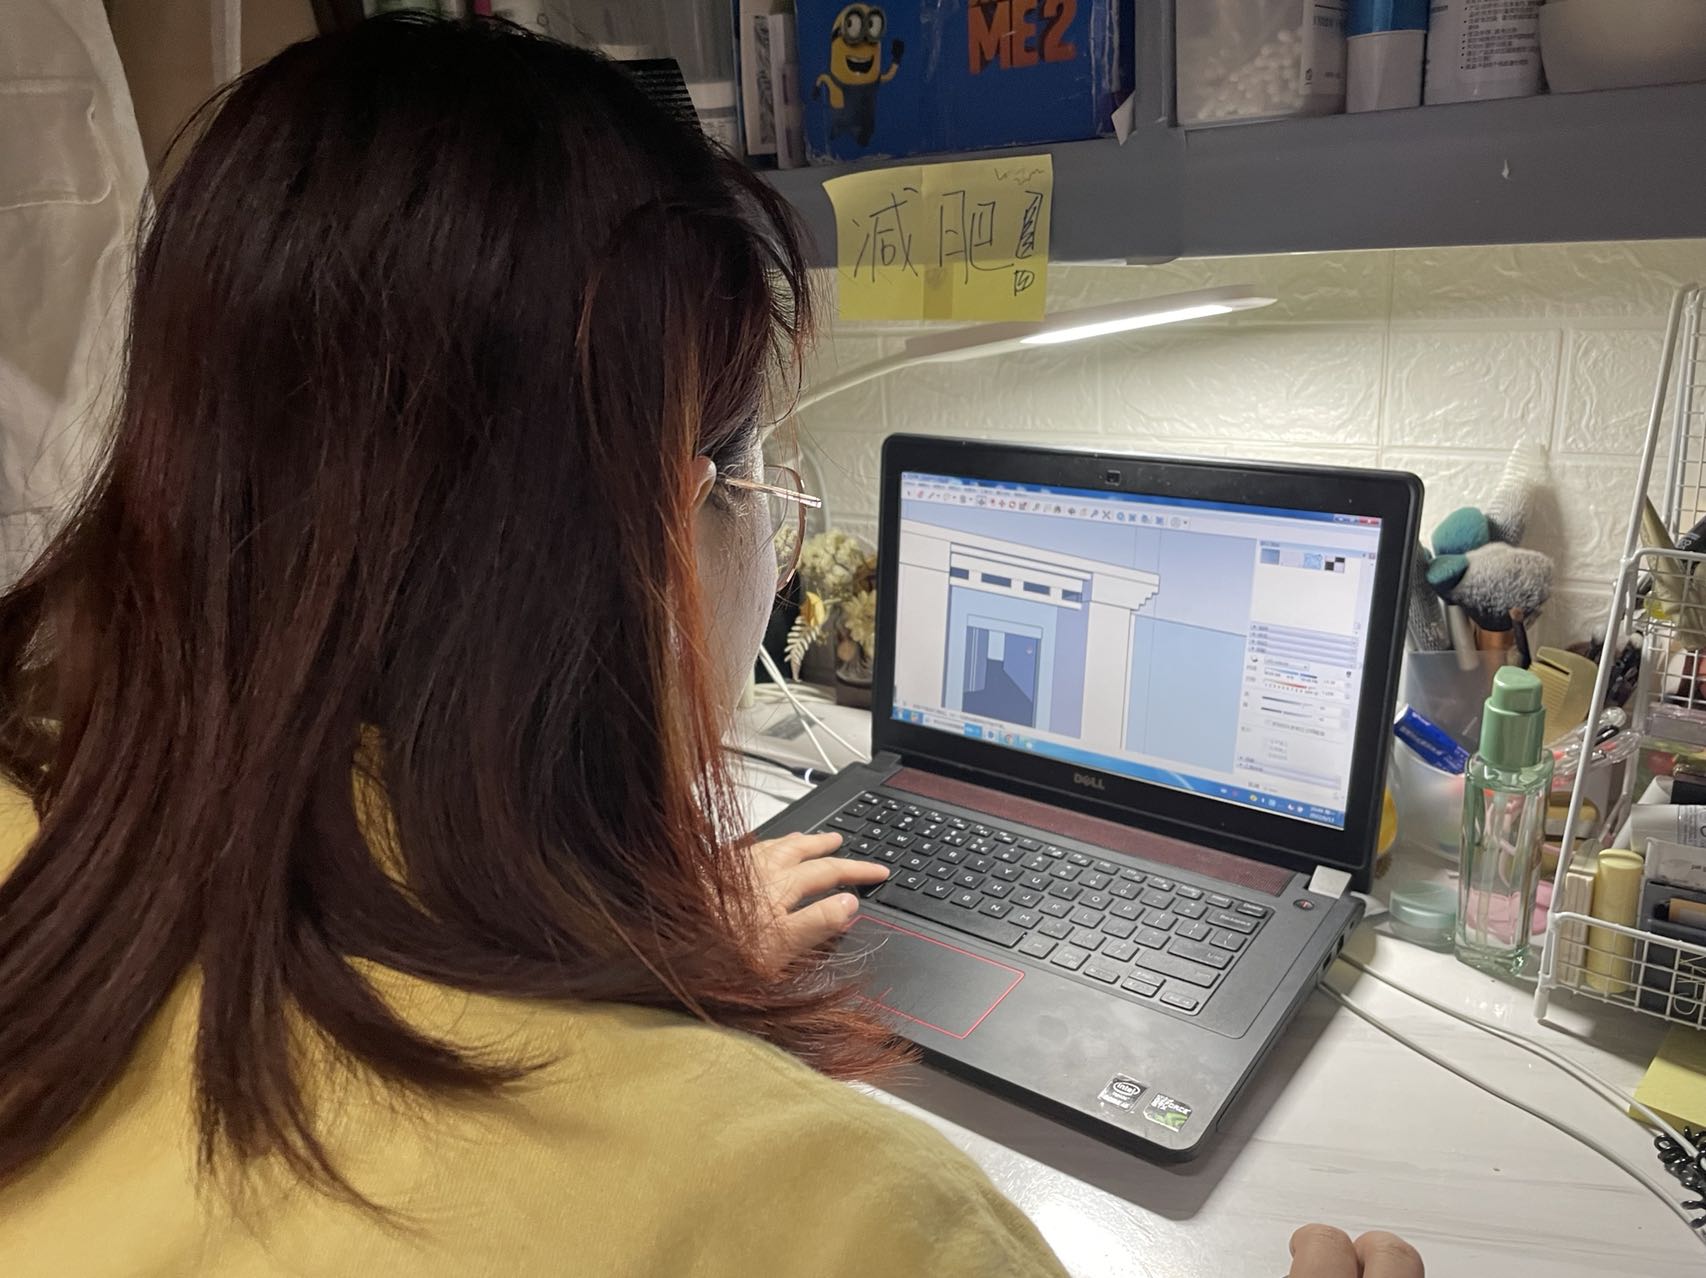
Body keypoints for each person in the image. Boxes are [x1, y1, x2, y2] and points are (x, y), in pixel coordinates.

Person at [0, 16, 1422, 1277]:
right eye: (750, 475)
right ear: (650, 539)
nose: (777, 536)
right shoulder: (838, 1217)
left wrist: (633, 944)